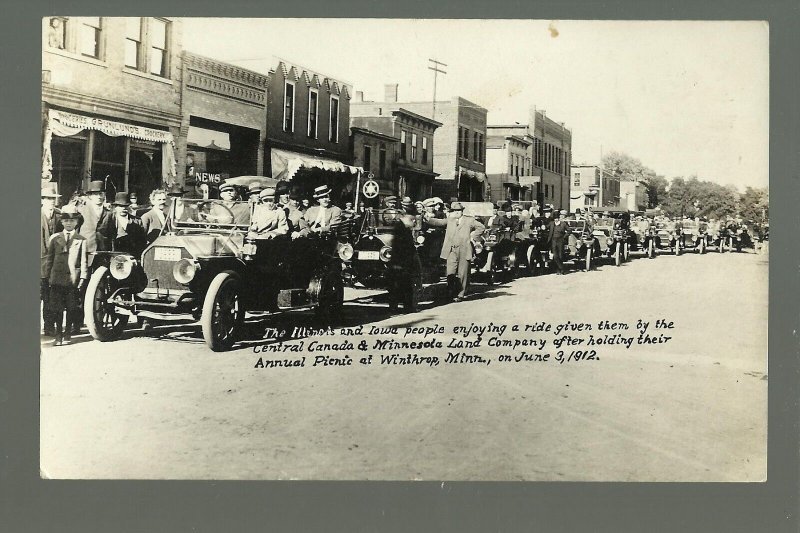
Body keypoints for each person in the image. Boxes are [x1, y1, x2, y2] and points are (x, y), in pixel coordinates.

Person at [42, 205, 88, 346]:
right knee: (57, 309)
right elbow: (49, 259)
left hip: (72, 280)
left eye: (72, 220)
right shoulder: (55, 238)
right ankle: (58, 336)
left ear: (76, 222)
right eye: (66, 220)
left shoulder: (81, 240)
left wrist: (82, 278)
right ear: (61, 222)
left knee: (72, 308)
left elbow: (83, 261)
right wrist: (46, 277)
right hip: (56, 279)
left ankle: (67, 334)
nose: (69, 223)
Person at [424, 202, 484, 302]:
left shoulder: (469, 220)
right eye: (454, 211)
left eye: (458, 211)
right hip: (451, 250)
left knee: (463, 272)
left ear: (462, 211)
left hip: (464, 249)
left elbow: (481, 227)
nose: (456, 213)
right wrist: (427, 219)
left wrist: (473, 236)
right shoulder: (450, 220)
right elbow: (439, 222)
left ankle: (461, 294)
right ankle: (450, 293)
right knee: (450, 271)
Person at [41, 182, 62, 336]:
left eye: (53, 199)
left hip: (54, 263)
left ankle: (49, 327)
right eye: (48, 198)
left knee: (50, 297)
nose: (51, 201)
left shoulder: (59, 216)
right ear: (42, 200)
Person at [77, 180, 112, 267]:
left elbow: (112, 234)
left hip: (102, 252)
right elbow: (76, 230)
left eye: (101, 193)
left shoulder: (109, 213)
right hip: (85, 251)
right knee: (84, 278)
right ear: (90, 196)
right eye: (96, 194)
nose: (99, 196)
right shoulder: (81, 210)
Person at [548, 210, 571, 274]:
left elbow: (569, 230)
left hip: (560, 240)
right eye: (555, 219)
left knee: (560, 256)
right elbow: (546, 227)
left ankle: (560, 269)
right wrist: (542, 227)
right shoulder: (551, 223)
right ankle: (561, 269)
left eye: (557, 218)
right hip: (553, 240)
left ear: (559, 218)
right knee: (555, 256)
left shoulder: (563, 224)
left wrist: (564, 237)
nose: (556, 220)